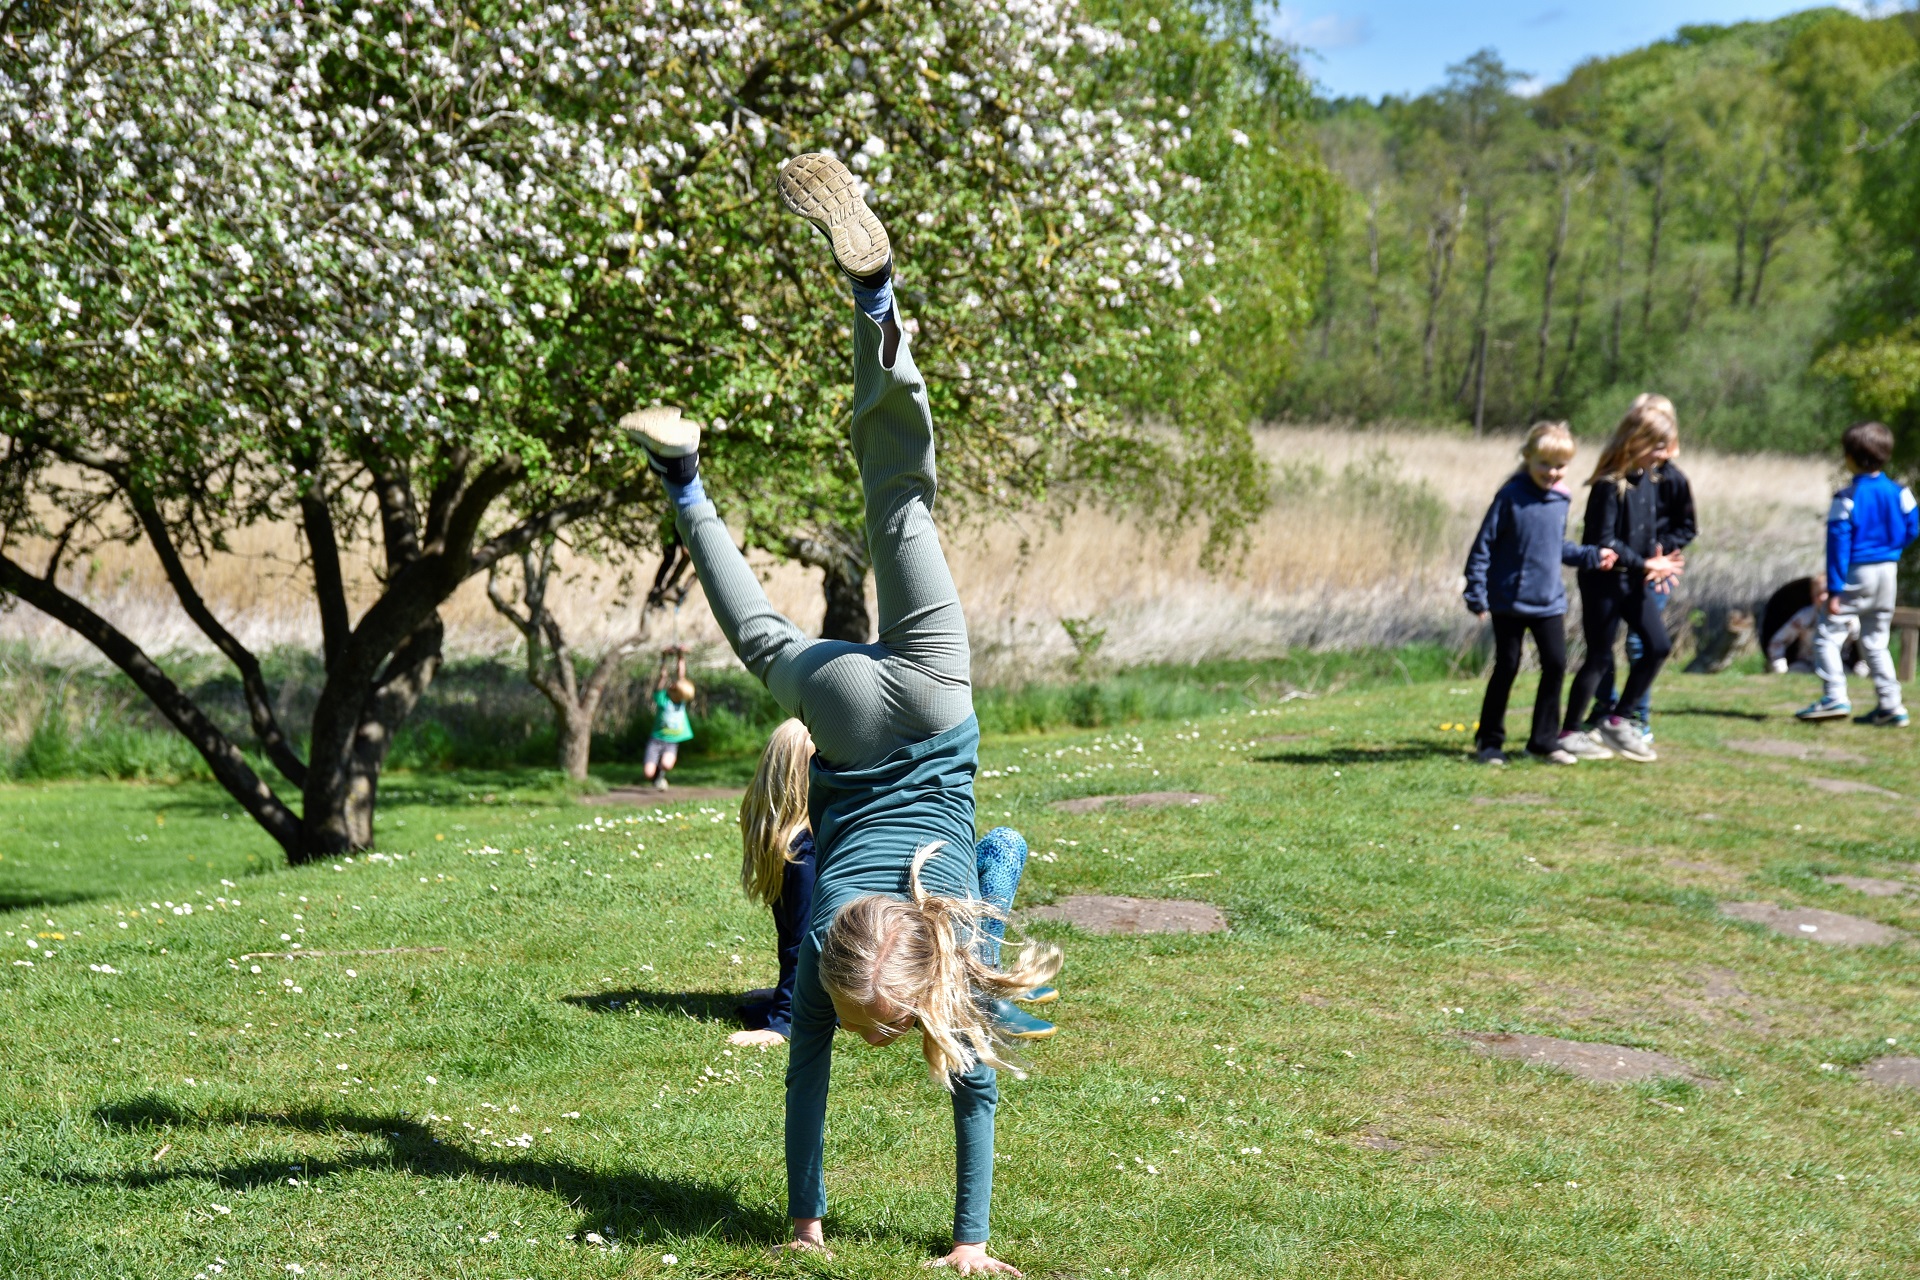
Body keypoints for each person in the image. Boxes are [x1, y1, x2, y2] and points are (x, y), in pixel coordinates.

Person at [622, 152, 1058, 1276]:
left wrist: (823, 1220)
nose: (870, 1033)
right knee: (778, 625)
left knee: (898, 500)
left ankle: (864, 306)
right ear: (893, 963)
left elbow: (1001, 844)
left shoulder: (928, 942)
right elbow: (850, 1072)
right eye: (881, 1022)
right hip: (855, 725)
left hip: (934, 702)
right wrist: (964, 1242)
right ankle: (691, 473)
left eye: (872, 1021)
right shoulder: (881, 953)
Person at [729, 720, 1055, 1051]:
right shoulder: (806, 853)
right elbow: (803, 943)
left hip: (898, 952)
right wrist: (786, 1018)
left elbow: (796, 939)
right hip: (885, 972)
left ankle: (983, 977)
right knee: (1004, 846)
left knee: (998, 847)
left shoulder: (791, 844)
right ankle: (980, 990)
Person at [1462, 421, 1617, 766]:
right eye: (1544, 464)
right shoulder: (1510, 496)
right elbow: (1483, 545)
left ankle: (1543, 741)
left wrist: (1591, 556)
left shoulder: (1561, 498)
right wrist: (1476, 591)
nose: (1552, 472)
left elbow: (1555, 546)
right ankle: (1489, 742)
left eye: (1560, 466)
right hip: (1509, 601)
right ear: (1527, 458)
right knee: (1508, 666)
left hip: (1549, 602)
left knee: (1556, 664)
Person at [1560, 394, 1688, 763]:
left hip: (1633, 581)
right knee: (1599, 657)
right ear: (1637, 442)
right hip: (1602, 583)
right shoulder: (1608, 484)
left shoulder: (1648, 479)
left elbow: (1646, 534)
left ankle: (1617, 720)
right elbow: (1605, 541)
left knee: (1659, 645)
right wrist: (1647, 564)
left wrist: (1658, 561)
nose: (1664, 455)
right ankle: (1569, 731)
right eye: (1658, 447)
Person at [1797, 420, 1918, 726]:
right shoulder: (1901, 492)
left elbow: (1838, 546)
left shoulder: (1846, 498)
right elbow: (1913, 528)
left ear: (1849, 457)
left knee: (1826, 636)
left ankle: (1834, 697)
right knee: (1876, 640)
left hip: (1857, 573)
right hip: (1888, 573)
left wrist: (1835, 590)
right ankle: (1891, 705)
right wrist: (1892, 548)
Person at [1594, 435, 1696, 742]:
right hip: (1620, 568)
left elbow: (1688, 527)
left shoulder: (1674, 480)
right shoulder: (1620, 478)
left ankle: (1636, 717)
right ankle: (1605, 709)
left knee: (1642, 643)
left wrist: (1661, 552)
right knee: (1602, 643)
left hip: (1656, 572)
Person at [1765, 580, 1860, 674]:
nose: (1823, 598)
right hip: (1806, 664)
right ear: (1812, 597)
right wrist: (1779, 664)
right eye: (1818, 594)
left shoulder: (1848, 618)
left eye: (1827, 592)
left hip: (1838, 664)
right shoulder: (1804, 617)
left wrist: (1864, 665)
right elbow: (1778, 641)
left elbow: (1865, 642)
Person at [643, 647, 695, 791]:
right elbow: (663, 676)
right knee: (648, 773)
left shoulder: (681, 703)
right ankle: (655, 777)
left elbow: (681, 676)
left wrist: (681, 656)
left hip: (671, 741)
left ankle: (661, 774)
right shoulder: (662, 699)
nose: (672, 685)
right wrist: (664, 658)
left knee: (667, 764)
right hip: (656, 740)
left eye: (674, 686)